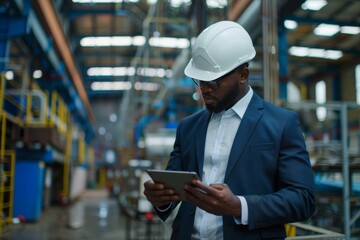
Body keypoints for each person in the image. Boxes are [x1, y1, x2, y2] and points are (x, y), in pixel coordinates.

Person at [143, 20, 316, 240]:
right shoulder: (188, 127)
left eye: (213, 82)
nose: (204, 89)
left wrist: (239, 206)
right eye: (200, 80)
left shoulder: (282, 124)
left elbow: (303, 200)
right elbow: (174, 191)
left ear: (243, 75)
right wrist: (160, 197)